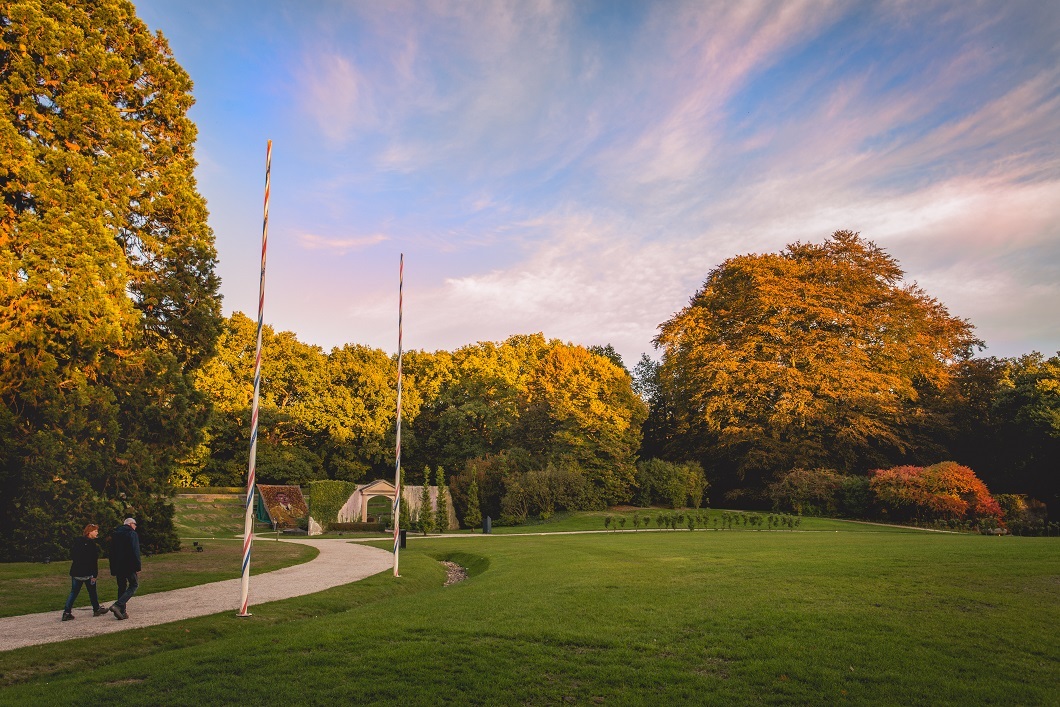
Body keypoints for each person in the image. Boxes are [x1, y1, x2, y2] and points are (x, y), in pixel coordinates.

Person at [61, 524, 109, 621]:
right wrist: (95, 575)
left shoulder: (77, 542)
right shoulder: (92, 545)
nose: (97, 533)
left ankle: (66, 612)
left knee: (73, 592)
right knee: (92, 592)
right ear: (89, 532)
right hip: (88, 573)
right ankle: (96, 609)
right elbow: (93, 561)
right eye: (95, 531)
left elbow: (73, 555)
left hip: (76, 572)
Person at [108, 517, 141, 620]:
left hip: (118, 565)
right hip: (129, 565)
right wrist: (137, 567)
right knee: (134, 585)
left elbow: (111, 552)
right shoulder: (132, 534)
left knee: (121, 587)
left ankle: (122, 612)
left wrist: (113, 567)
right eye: (135, 524)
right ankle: (118, 605)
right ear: (130, 524)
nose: (135, 527)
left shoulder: (115, 534)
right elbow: (135, 551)